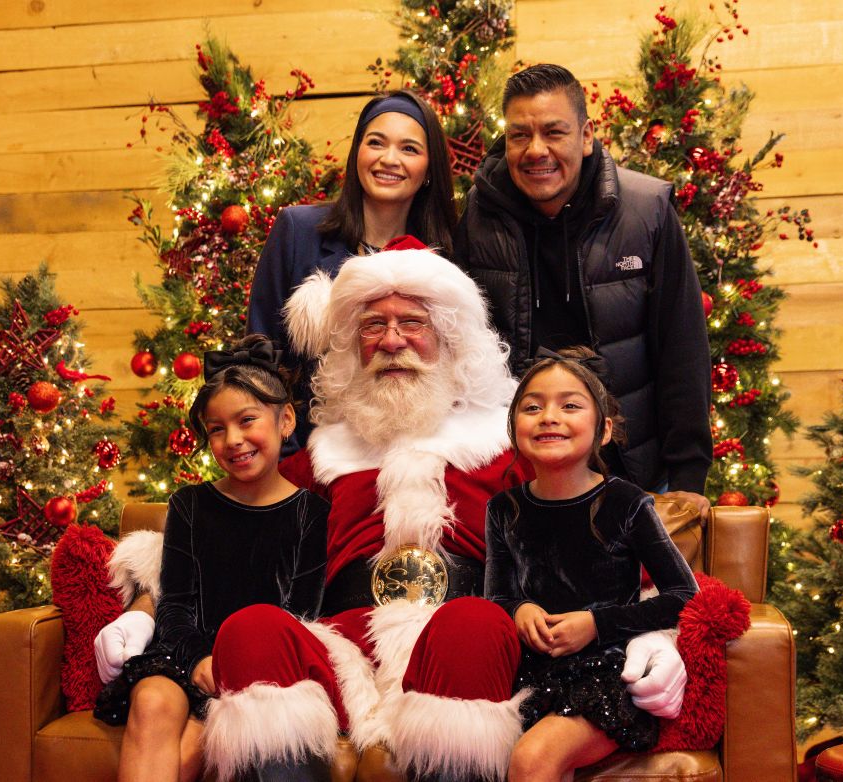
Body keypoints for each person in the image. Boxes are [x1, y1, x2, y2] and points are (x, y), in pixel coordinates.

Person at [98, 249, 688, 782]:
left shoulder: (508, 451)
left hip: (463, 646)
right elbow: (225, 537)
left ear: (450, 339)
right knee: (252, 627)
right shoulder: (322, 456)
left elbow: (599, 545)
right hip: (341, 649)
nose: (391, 340)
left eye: (412, 323)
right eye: (373, 326)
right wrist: (146, 609)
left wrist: (653, 638)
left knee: (474, 625)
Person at [452, 63, 713, 518]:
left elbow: (682, 343)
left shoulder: (645, 211)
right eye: (519, 135)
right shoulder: (478, 216)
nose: (536, 150)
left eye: (554, 132)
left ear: (586, 136)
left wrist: (688, 474)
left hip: (635, 471)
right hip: (518, 474)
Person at [93, 334, 328, 782]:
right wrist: (199, 658)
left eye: (246, 420)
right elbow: (176, 604)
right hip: (187, 658)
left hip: (260, 671)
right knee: (153, 699)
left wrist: (234, 667)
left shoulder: (311, 514)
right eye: (217, 429)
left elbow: (302, 612)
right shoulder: (189, 505)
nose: (233, 440)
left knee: (186, 758)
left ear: (285, 420)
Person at [485, 348, 698, 782]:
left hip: (606, 674)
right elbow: (498, 597)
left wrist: (595, 625)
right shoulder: (503, 509)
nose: (549, 416)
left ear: (604, 430)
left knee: (533, 760)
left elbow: (683, 597)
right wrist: (520, 610)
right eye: (532, 407)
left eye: (569, 405)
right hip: (527, 673)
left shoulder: (627, 503)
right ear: (513, 428)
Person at [247, 88, 456, 447]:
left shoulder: (446, 258)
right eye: (376, 143)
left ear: (428, 170)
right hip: (307, 459)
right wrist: (287, 461)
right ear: (357, 152)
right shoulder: (297, 230)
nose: (389, 159)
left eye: (409, 149)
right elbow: (260, 356)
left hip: (406, 462)